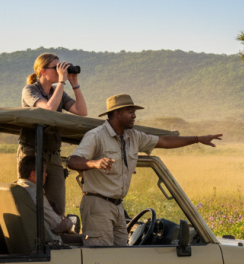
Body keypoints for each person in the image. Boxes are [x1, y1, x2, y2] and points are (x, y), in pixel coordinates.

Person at [67, 94, 222, 247]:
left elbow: (164, 141)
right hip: (98, 204)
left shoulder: (133, 136)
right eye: (130, 112)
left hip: (118, 206)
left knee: (121, 255)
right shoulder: (96, 136)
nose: (134, 116)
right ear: (116, 113)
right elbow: (72, 161)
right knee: (101, 257)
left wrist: (197, 139)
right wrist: (95, 163)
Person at [18, 52, 88, 216]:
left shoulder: (59, 91)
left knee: (57, 205)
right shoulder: (30, 90)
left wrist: (74, 84)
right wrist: (62, 81)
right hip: (32, 153)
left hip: (53, 154)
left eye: (60, 68)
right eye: (55, 68)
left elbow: (82, 111)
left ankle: (55, 237)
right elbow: (49, 109)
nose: (59, 71)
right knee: (31, 201)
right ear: (42, 71)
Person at [16, 154, 73, 241]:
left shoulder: (17, 188)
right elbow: (57, 225)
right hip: (46, 245)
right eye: (44, 171)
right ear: (34, 174)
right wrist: (69, 223)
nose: (46, 175)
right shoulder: (35, 193)